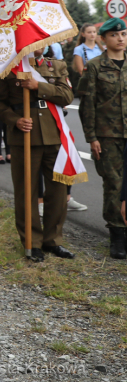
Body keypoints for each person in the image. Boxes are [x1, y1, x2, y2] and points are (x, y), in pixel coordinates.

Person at [0, 48, 76, 261]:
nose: (35, 44)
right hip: (24, 137)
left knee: (58, 189)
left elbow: (67, 95)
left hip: (54, 135)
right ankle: (32, 241)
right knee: (26, 191)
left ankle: (52, 240)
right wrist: (14, 120)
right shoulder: (9, 68)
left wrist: (39, 86)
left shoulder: (56, 65)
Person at [78, 17, 127, 259]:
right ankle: (117, 234)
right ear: (103, 39)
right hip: (108, 137)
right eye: (115, 35)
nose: (120, 39)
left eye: (124, 34)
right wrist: (91, 137)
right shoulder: (95, 66)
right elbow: (88, 105)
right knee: (114, 185)